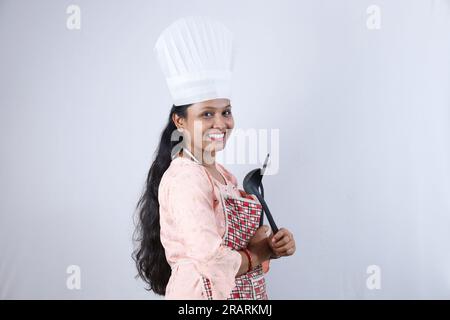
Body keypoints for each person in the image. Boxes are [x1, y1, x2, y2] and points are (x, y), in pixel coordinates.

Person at [134, 16, 296, 300]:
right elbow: (212, 261)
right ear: (180, 121)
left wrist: (271, 243)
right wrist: (260, 252)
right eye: (207, 114)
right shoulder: (185, 177)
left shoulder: (225, 176)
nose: (221, 123)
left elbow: (238, 250)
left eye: (226, 111)